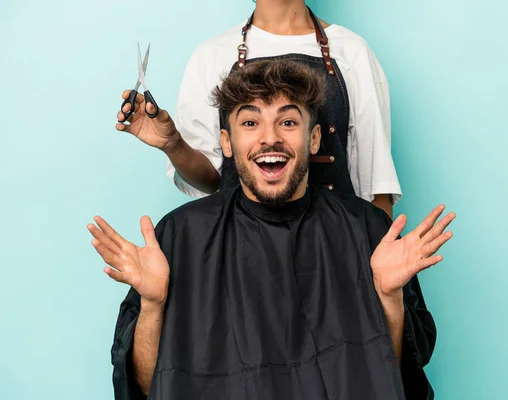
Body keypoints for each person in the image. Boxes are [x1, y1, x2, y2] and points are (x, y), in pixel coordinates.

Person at [100, 59, 455, 399]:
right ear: (227, 143)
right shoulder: (180, 236)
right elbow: (146, 386)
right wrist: (153, 304)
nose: (269, 138)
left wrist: (389, 300)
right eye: (250, 123)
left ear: (313, 139)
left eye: (287, 122)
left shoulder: (367, 230)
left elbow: (392, 377)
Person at [117, 0, 401, 217]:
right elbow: (212, 180)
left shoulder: (353, 51)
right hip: (239, 253)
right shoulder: (212, 55)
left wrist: (380, 279)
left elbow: (377, 185)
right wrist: (173, 144)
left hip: (337, 251)